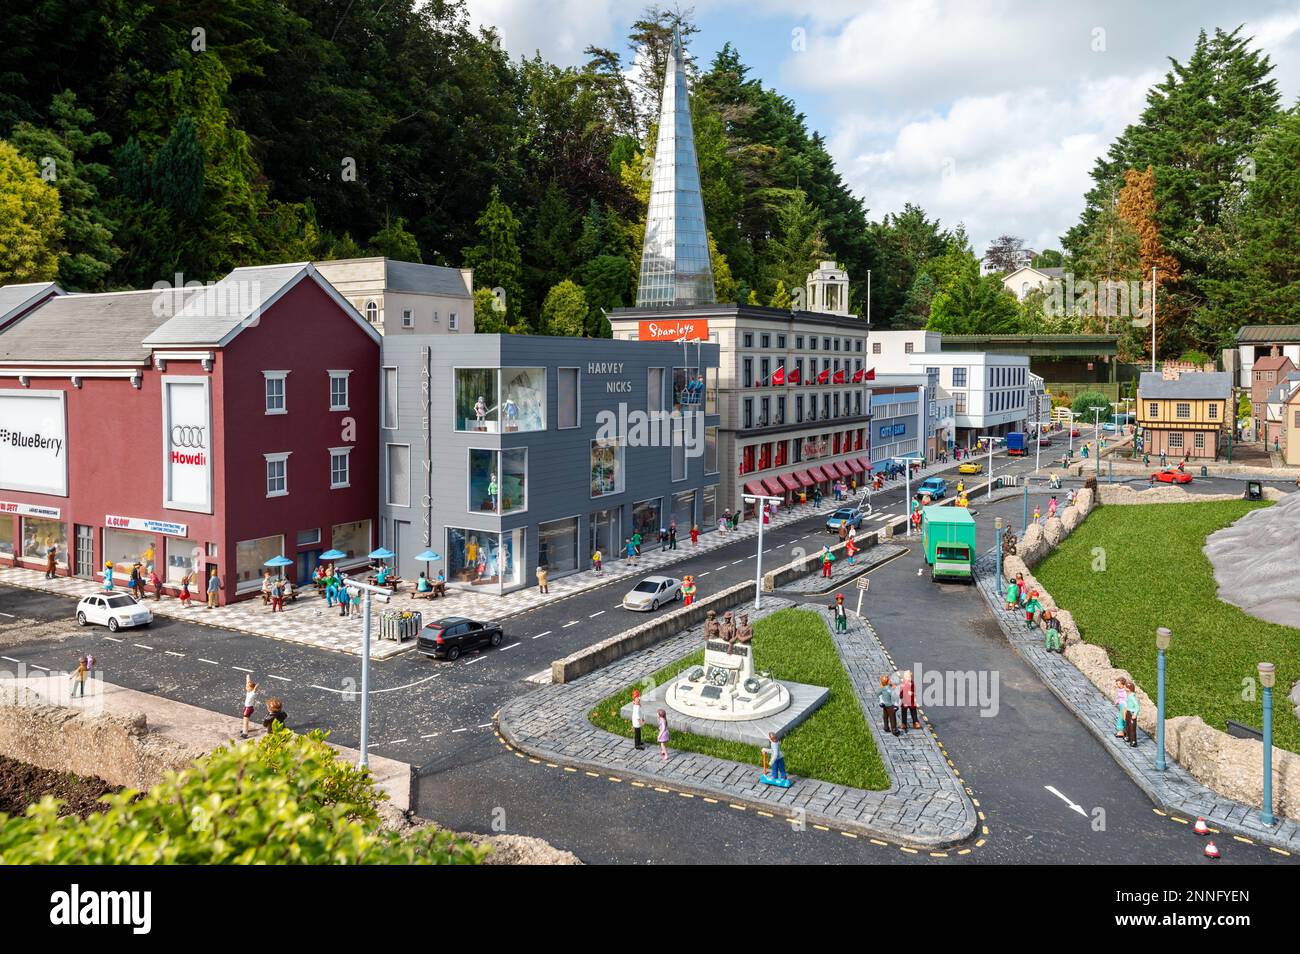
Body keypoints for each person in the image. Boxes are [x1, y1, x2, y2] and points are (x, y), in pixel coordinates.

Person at [1123, 679, 1139, 748]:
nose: (1125, 688)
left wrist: (1135, 714)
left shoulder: (1132, 697)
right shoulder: (1129, 695)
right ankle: (1128, 736)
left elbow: (1137, 706)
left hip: (1132, 713)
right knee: (1127, 725)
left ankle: (1133, 741)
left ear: (1129, 689)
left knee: (1132, 727)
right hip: (1128, 712)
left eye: (1126, 687)